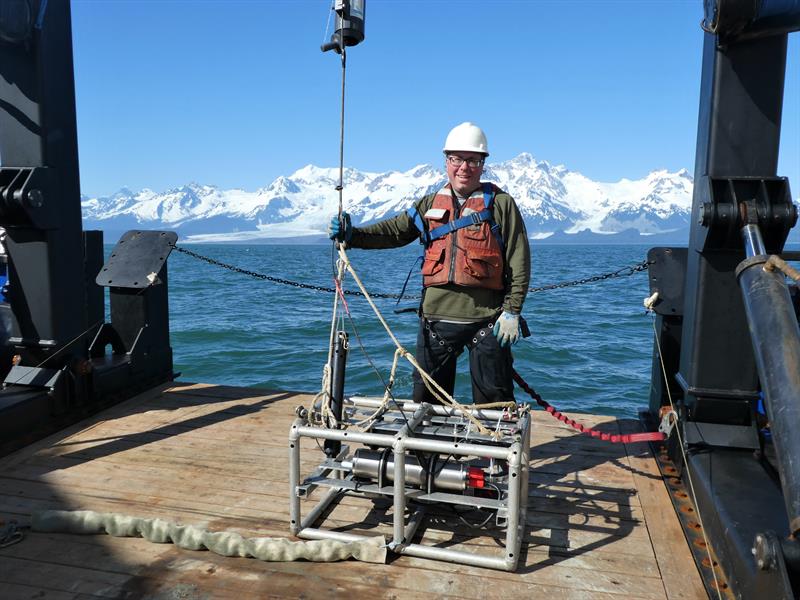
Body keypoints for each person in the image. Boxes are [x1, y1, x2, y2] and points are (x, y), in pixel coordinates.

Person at [329, 122, 530, 405]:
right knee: (427, 404)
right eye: (456, 159)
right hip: (435, 321)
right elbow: (394, 232)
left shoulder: (501, 205)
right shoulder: (429, 204)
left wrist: (512, 311)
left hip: (487, 321)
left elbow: (519, 260)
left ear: (483, 164)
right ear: (446, 161)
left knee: (493, 406)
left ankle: (490, 449)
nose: (464, 167)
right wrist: (352, 235)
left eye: (473, 160)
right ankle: (429, 452)